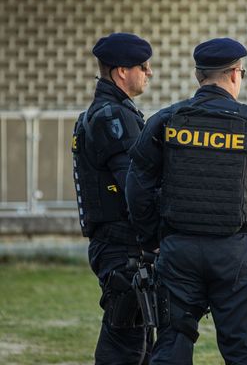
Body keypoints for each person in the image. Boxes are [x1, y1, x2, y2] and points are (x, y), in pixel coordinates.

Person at [125, 37, 247, 364]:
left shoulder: (166, 120)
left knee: (171, 346)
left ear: (198, 76)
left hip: (178, 250)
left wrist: (152, 238)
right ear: (235, 74)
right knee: (246, 353)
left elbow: (136, 187)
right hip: (236, 253)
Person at [71, 33, 154, 364]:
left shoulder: (112, 112)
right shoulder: (112, 117)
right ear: (122, 71)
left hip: (121, 243)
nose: (149, 73)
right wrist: (155, 233)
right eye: (144, 67)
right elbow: (134, 185)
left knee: (142, 343)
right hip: (121, 246)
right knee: (125, 344)